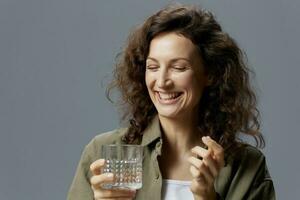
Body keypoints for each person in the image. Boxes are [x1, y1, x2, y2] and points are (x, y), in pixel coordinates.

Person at [67, 4, 275, 200]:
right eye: (153, 67)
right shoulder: (102, 153)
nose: (162, 82)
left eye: (179, 67)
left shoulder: (246, 166)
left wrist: (207, 197)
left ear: (210, 74)